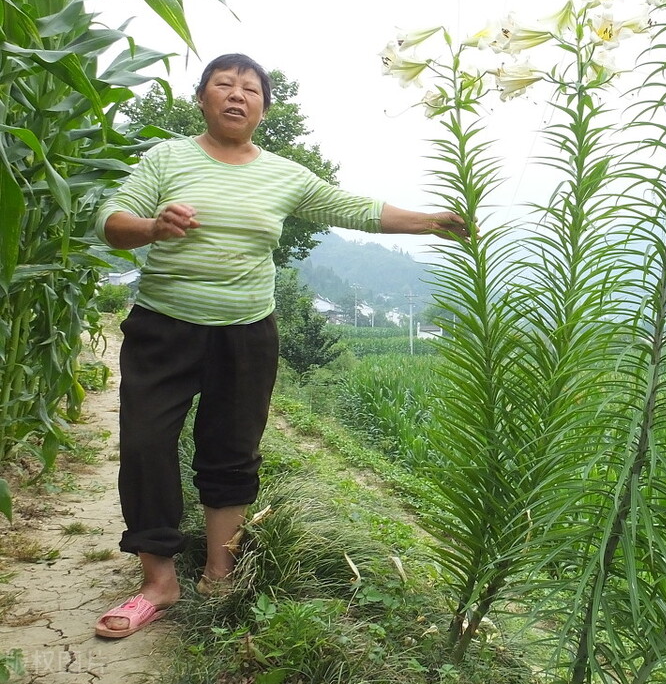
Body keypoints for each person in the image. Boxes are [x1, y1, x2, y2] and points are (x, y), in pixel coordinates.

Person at [93, 53, 467, 638]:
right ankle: (158, 582)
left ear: (264, 109)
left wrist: (432, 221)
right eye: (223, 84)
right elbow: (110, 220)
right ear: (202, 98)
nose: (236, 95)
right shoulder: (167, 158)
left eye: (250, 89)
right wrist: (151, 226)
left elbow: (354, 208)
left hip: (246, 334)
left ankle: (220, 573)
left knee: (231, 449)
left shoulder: (285, 175)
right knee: (145, 446)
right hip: (163, 327)